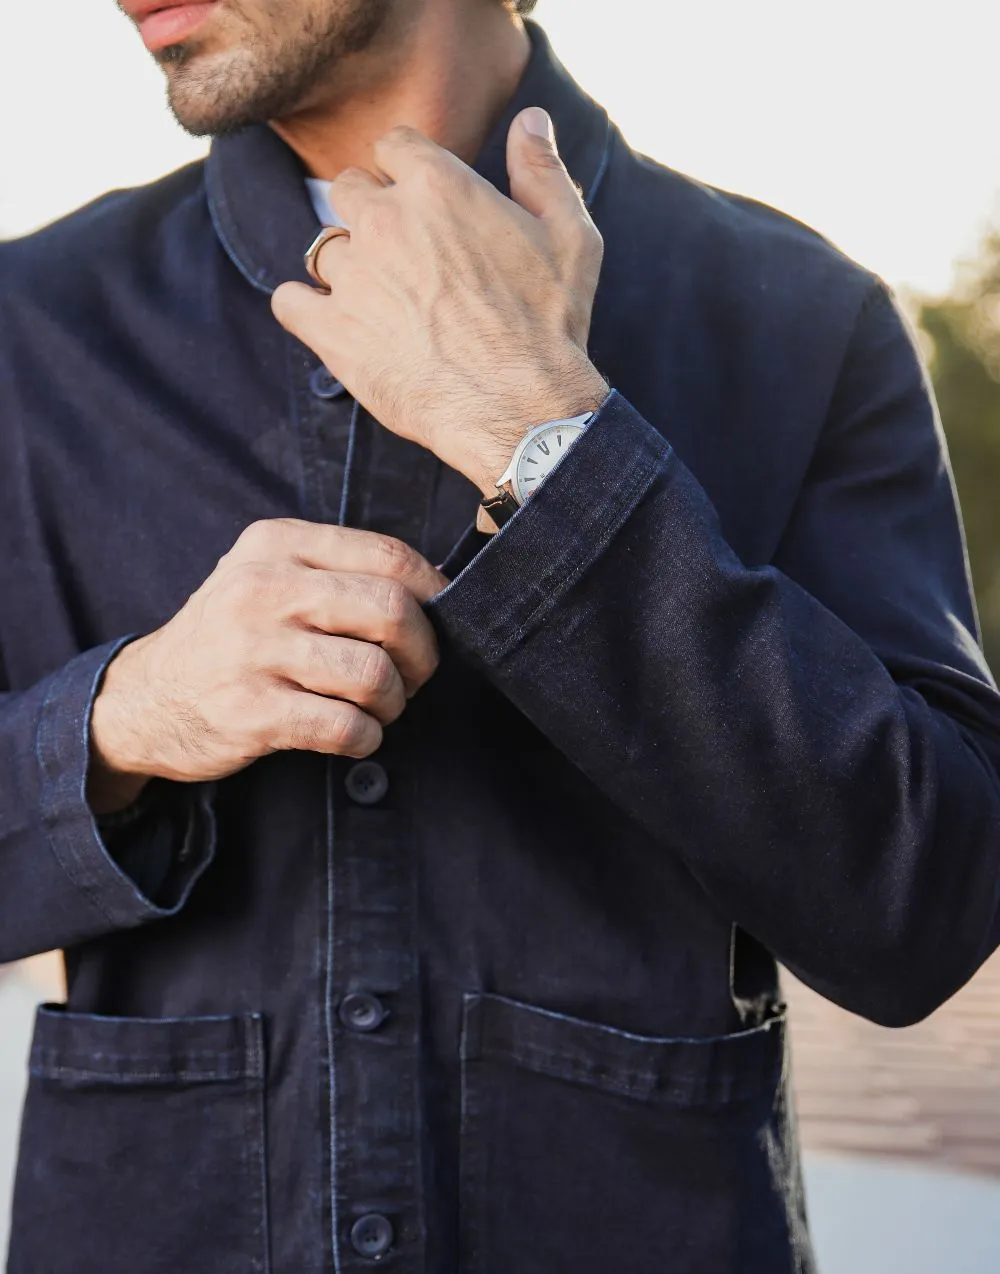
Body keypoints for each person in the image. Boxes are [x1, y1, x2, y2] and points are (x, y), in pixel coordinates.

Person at [3, 0, 1000, 1270]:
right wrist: (120, 721)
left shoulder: (800, 318)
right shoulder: (25, 329)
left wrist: (542, 434)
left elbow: (922, 908)